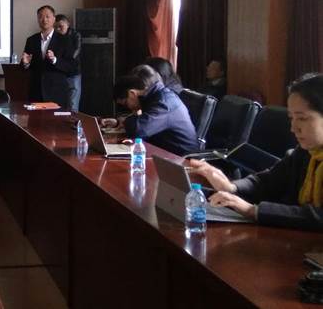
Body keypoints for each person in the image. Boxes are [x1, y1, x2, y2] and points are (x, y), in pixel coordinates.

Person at [190, 73, 323, 231]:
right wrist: (232, 187)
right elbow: (267, 181)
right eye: (291, 118)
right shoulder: (305, 152)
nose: (293, 128)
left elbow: (318, 216)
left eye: (302, 118)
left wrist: (253, 211)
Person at [108, 67, 198, 156]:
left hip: (181, 158)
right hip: (163, 152)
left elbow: (138, 130)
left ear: (132, 93)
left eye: (125, 103)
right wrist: (122, 121)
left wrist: (127, 120)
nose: (127, 107)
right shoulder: (155, 97)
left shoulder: (164, 103)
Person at [21, 5, 77, 109]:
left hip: (57, 92)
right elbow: (24, 67)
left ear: (54, 19)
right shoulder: (31, 40)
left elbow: (72, 67)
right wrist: (25, 63)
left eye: (47, 16)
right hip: (36, 92)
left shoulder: (64, 40)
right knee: (35, 120)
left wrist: (55, 60)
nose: (44, 20)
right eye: (41, 17)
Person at [55, 14, 82, 112]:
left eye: (60, 26)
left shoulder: (75, 35)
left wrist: (62, 59)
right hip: (60, 73)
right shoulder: (55, 36)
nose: (58, 29)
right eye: (56, 27)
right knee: (60, 104)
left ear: (67, 24)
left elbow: (75, 52)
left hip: (73, 72)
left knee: (73, 103)